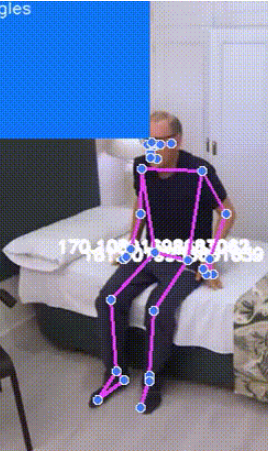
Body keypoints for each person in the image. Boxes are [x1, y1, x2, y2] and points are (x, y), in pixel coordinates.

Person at [90, 111, 236, 413]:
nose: (152, 149)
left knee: (157, 310)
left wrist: (208, 259)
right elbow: (141, 205)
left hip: (187, 257)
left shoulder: (199, 171)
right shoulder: (141, 167)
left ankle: (151, 383)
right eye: (148, 141)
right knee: (108, 299)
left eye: (159, 141)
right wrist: (132, 244)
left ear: (177, 141)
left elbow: (227, 213)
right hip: (151, 251)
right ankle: (115, 374)